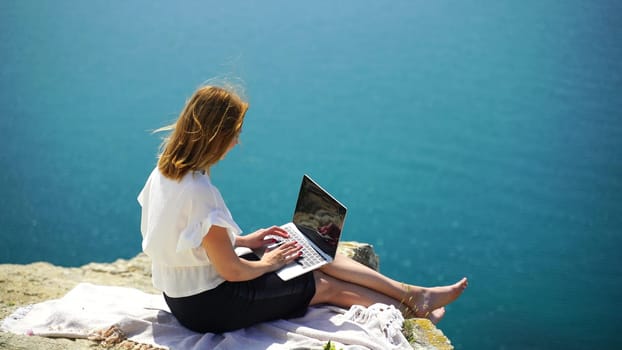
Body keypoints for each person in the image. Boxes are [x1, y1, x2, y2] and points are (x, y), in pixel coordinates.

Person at [138, 83, 468, 334]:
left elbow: (181, 236)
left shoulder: (165, 173)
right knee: (324, 285)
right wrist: (267, 263)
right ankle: (411, 312)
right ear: (214, 137)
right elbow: (232, 273)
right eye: (234, 134)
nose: (237, 142)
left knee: (305, 247)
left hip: (182, 294)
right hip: (209, 307)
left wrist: (244, 242)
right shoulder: (198, 191)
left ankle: (414, 294)